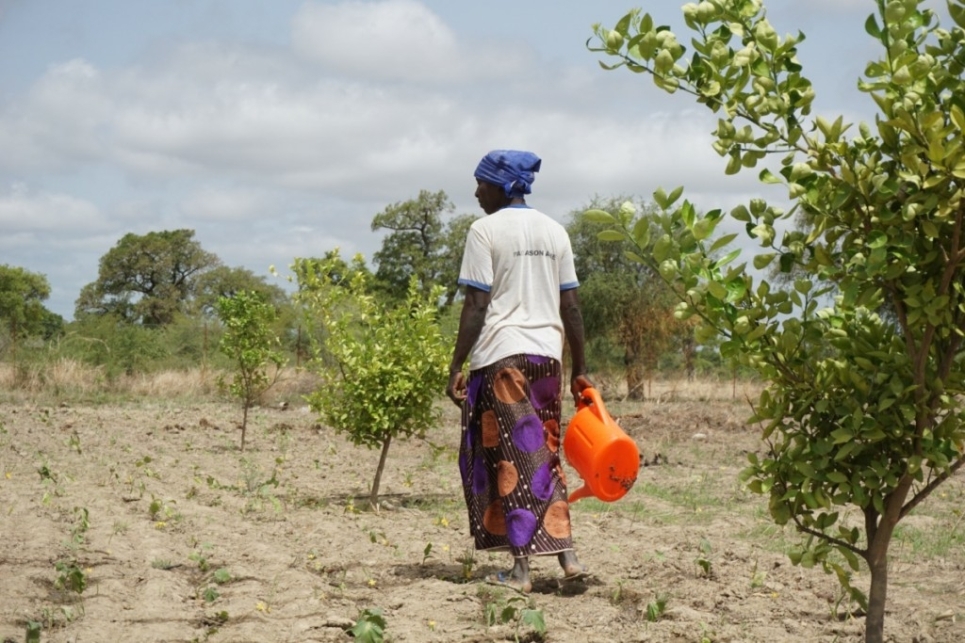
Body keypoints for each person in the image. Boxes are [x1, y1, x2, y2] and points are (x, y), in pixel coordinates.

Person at [446, 149, 593, 593]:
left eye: (482, 184)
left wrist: (456, 363)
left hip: (501, 359)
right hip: (545, 359)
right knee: (543, 454)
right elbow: (571, 306)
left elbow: (476, 304)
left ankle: (522, 571)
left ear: (504, 186)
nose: (475, 192)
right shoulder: (555, 231)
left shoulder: (484, 231)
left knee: (507, 460)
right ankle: (567, 559)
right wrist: (579, 368)